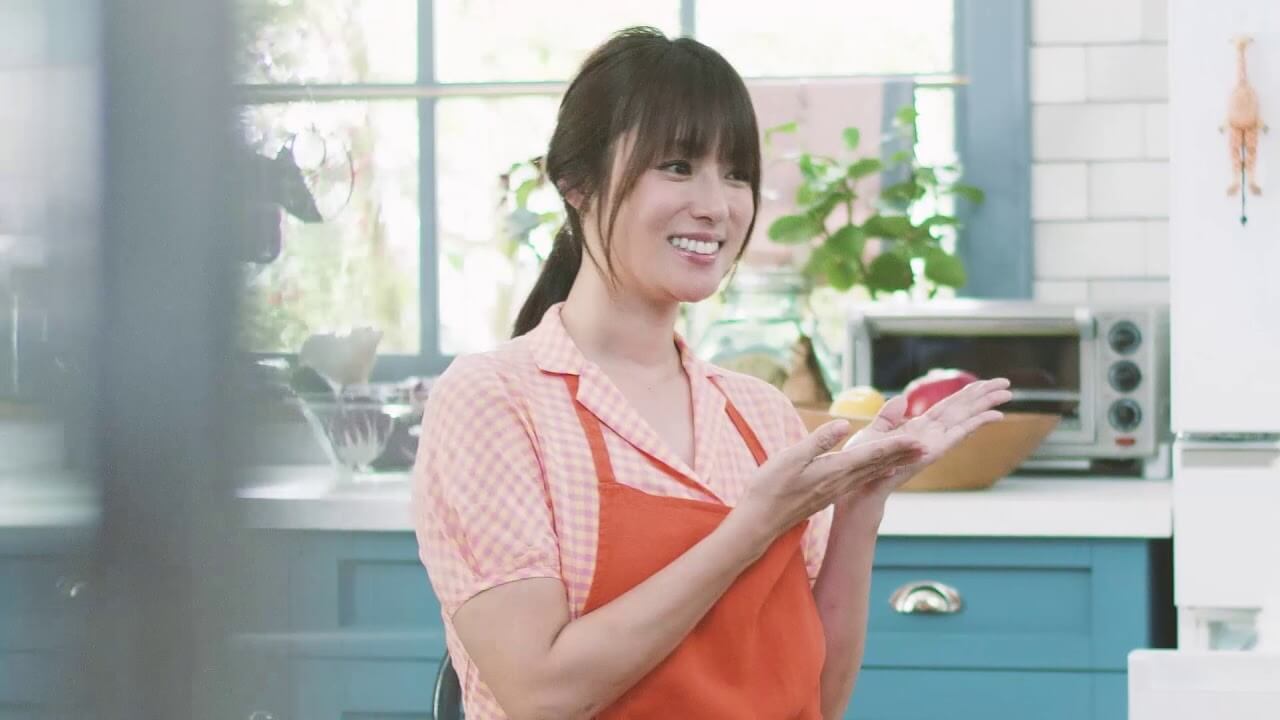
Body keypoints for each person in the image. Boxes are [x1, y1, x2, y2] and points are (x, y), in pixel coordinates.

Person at [413, 26, 1012, 720]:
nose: (716, 204)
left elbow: (814, 699)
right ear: (577, 182)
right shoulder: (496, 401)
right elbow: (542, 693)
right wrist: (751, 527)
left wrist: (858, 510)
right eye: (677, 166)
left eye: (736, 174)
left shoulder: (759, 417)